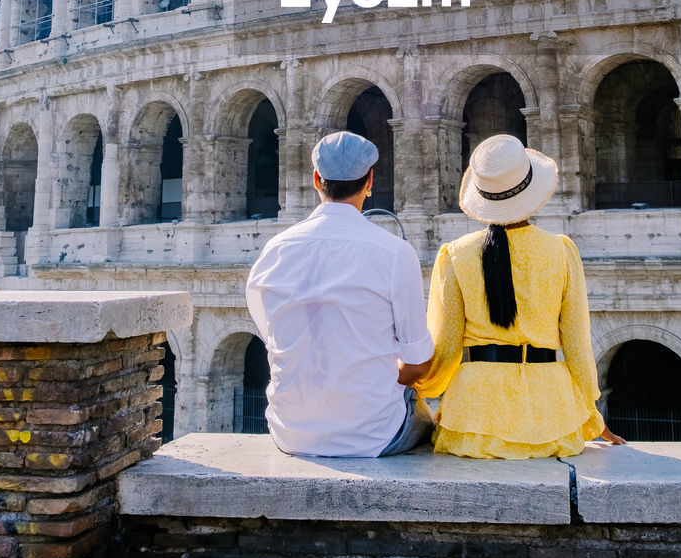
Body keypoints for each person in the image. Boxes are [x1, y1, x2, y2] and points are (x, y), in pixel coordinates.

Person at [414, 133, 626, 459]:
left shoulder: (455, 255)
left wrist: (420, 390)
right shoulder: (562, 251)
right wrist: (593, 416)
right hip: (550, 415)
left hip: (474, 418)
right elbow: (578, 346)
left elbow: (445, 348)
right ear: (531, 190)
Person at [245, 130, 434, 457]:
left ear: (317, 179)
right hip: (375, 436)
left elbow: (275, 340)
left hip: (290, 433)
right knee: (431, 417)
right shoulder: (395, 253)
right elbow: (418, 364)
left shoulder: (273, 251)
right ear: (370, 180)